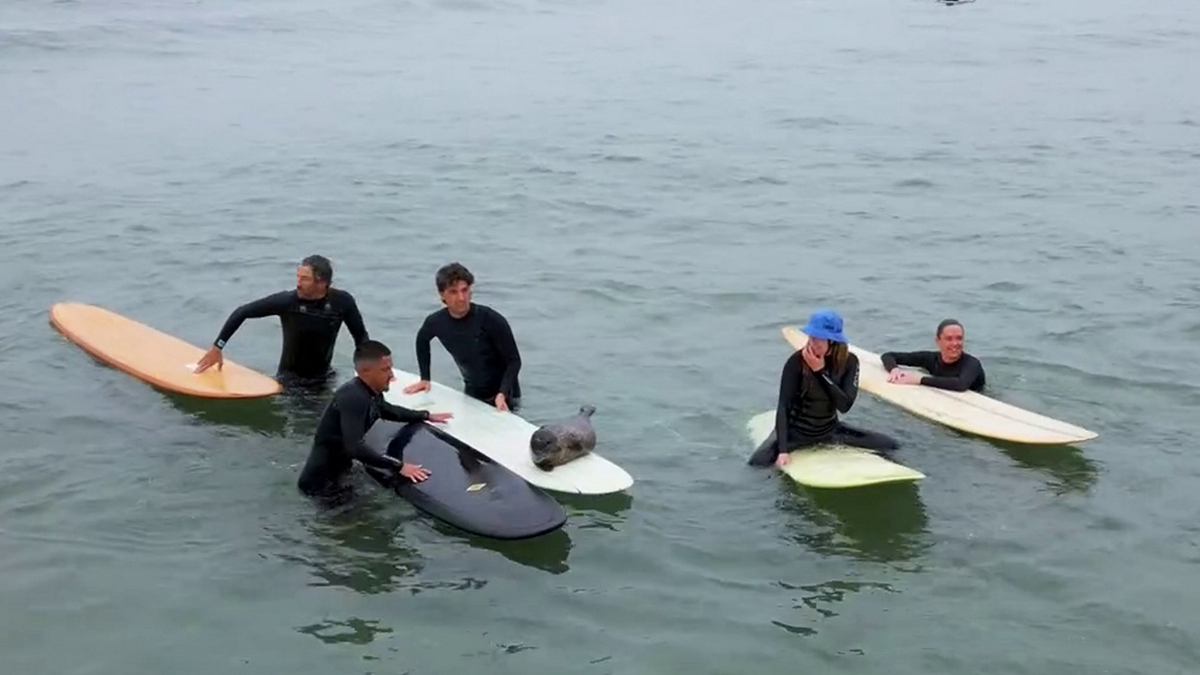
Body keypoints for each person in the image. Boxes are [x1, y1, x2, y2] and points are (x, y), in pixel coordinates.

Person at [297, 339, 453, 500]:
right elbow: (355, 447)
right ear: (365, 371)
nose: (392, 375)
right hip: (321, 487)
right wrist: (399, 466)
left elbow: (387, 410)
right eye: (385, 369)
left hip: (341, 473)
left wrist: (425, 415)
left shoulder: (370, 392)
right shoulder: (353, 397)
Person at [748, 309, 899, 469]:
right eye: (811, 337)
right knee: (756, 462)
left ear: (833, 341)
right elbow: (784, 406)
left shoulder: (850, 362)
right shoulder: (796, 362)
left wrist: (820, 372)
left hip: (829, 430)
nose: (813, 343)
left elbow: (844, 406)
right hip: (796, 433)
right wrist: (783, 450)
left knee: (890, 445)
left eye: (818, 339)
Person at [193, 255, 369, 388]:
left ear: (322, 282)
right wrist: (217, 347)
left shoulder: (342, 302)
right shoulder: (287, 302)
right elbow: (242, 312)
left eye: (305, 279)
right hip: (290, 382)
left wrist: (367, 370)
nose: (298, 283)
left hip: (325, 378)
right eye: (298, 277)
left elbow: (361, 338)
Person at [402, 262, 522, 411]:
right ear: (441, 295)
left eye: (464, 290)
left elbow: (514, 361)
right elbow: (422, 340)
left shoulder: (491, 320)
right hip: (472, 394)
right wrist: (425, 378)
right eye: (453, 292)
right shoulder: (436, 322)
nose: (461, 298)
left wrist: (502, 393)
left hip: (505, 397)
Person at [880, 318, 986, 392]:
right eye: (949, 339)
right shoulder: (930, 358)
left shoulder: (972, 363)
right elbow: (888, 355)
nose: (955, 344)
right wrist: (894, 370)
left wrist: (919, 380)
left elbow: (960, 385)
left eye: (959, 338)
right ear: (938, 341)